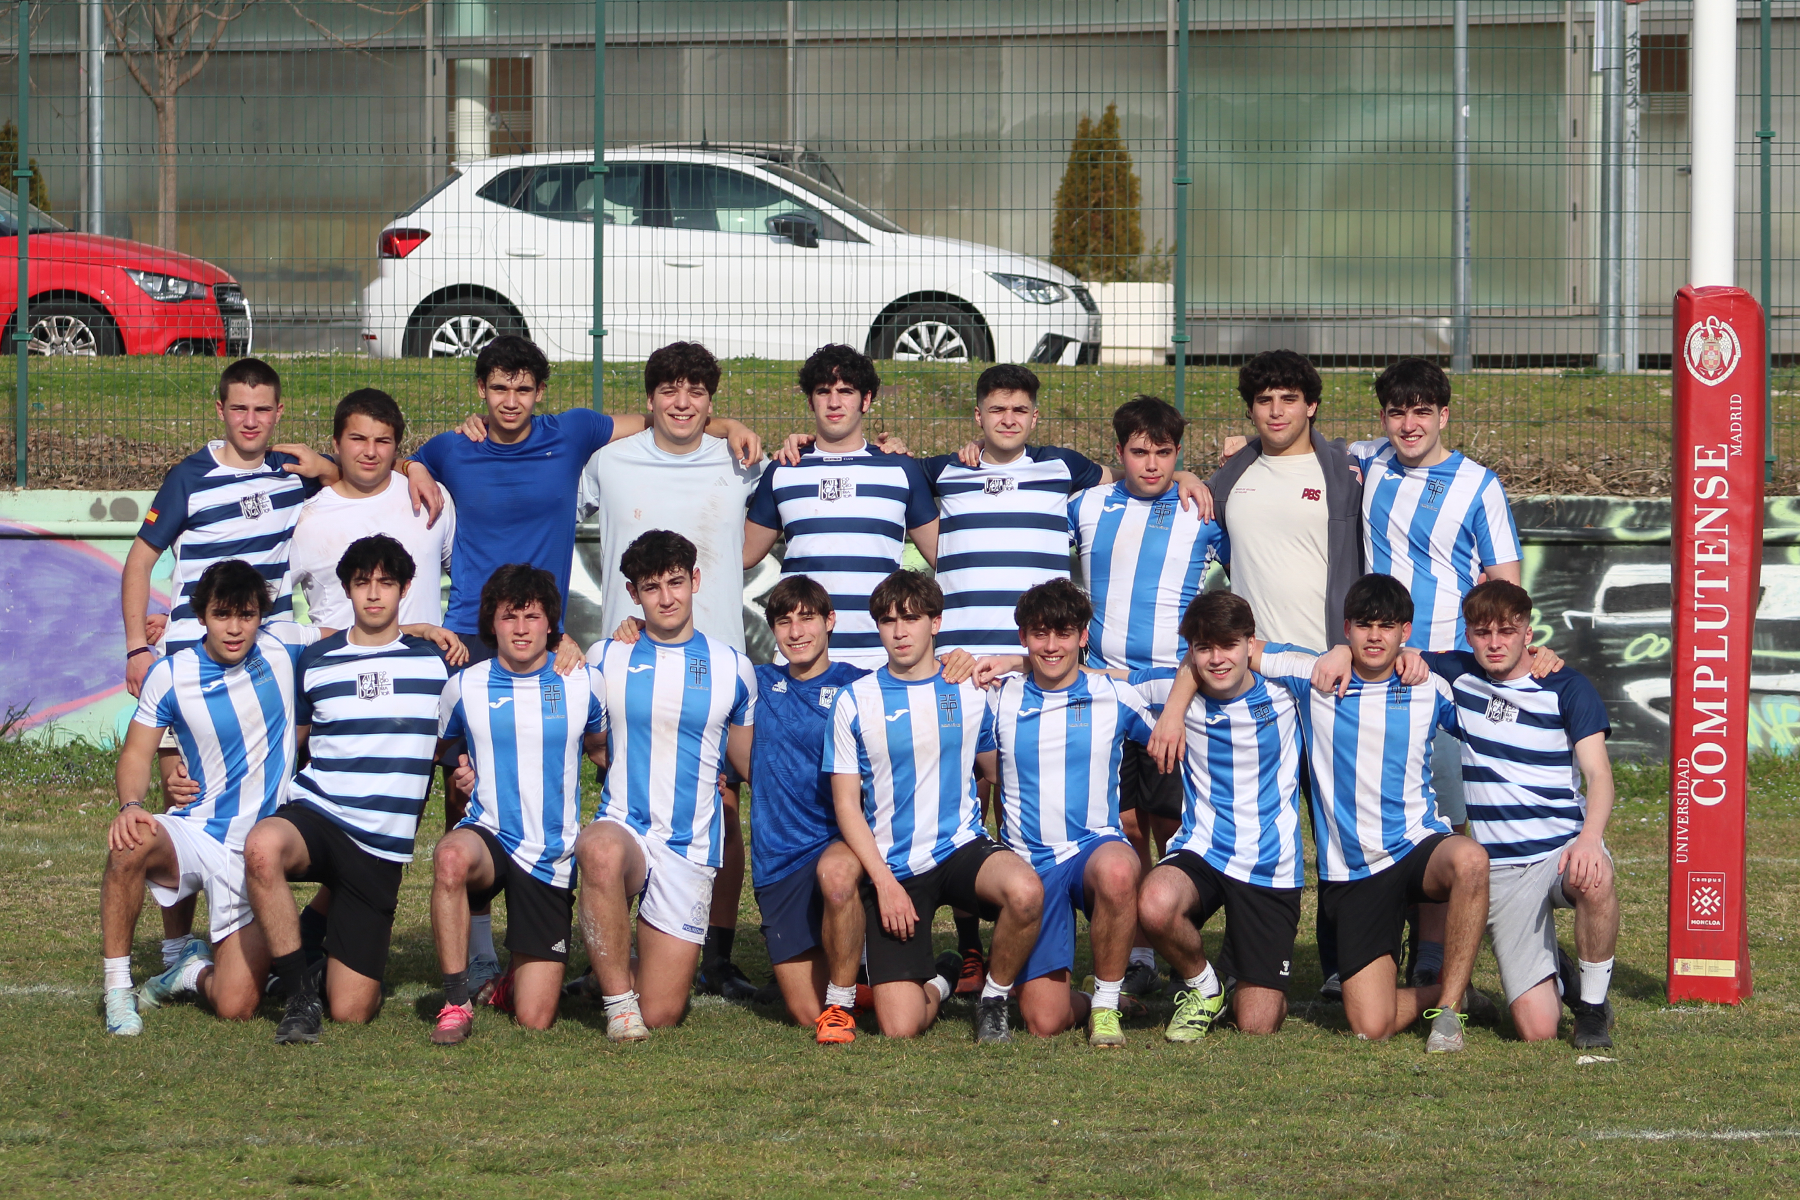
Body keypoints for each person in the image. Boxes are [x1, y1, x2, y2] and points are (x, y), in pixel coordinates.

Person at [408, 335, 748, 996]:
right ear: (480, 389)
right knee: (464, 790)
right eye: (498, 387)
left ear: (541, 392)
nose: (510, 400)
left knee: (570, 779)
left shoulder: (574, 435)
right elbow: (400, 460)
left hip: (548, 633)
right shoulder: (451, 447)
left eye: (523, 388)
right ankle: (479, 948)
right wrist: (417, 463)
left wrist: (729, 423)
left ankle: (593, 933)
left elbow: (658, 417)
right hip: (474, 634)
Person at [119, 357, 338, 967]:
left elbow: (366, 474)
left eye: (262, 409)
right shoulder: (189, 477)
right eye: (238, 408)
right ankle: (175, 951)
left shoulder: (294, 473)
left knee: (257, 805)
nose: (250, 420)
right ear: (219, 410)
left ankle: (250, 930)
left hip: (262, 664)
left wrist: (327, 466)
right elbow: (140, 562)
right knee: (184, 796)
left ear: (279, 412)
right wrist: (138, 646)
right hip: (189, 665)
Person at [580, 342, 765, 1002]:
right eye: (669, 390)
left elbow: (791, 487)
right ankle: (608, 951)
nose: (682, 403)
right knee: (620, 803)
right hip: (629, 664)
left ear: (712, 401)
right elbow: (546, 500)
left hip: (713, 668)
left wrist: (735, 429)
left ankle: (717, 952)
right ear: (650, 398)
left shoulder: (742, 460)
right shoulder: (607, 463)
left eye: (696, 392)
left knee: (723, 806)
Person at [242, 535, 457, 1044]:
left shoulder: (438, 663)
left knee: (352, 1010)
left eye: (386, 583)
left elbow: (465, 737)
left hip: (379, 848)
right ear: (346, 589)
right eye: (362, 583)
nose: (374, 594)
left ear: (406, 588)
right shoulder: (315, 660)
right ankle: (298, 996)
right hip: (318, 814)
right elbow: (288, 744)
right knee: (262, 846)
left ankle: (313, 954)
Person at [1265, 575, 1490, 1052]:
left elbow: (1497, 703)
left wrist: (1543, 661)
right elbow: (1238, 648)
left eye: (1386, 627)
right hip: (1356, 871)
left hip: (1417, 845)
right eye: (1363, 625)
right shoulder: (1314, 676)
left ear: (1405, 632)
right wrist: (1333, 653)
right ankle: (1455, 996)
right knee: (1372, 1025)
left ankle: (1449, 1013)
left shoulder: (1428, 685)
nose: (1374, 637)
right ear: (1346, 627)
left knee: (1471, 860)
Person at [100, 559, 321, 1035]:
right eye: (222, 615)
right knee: (129, 843)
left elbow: (358, 635)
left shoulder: (283, 644)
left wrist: (424, 629)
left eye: (246, 615)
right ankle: (117, 990)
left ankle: (188, 971)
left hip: (257, 852)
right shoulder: (170, 674)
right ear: (202, 615)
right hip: (196, 830)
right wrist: (131, 805)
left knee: (235, 1005)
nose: (235, 628)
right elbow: (135, 754)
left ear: (260, 616)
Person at [825, 570, 1044, 1043]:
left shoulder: (969, 688)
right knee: (900, 1028)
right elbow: (846, 806)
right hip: (896, 865)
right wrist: (883, 883)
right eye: (888, 621)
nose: (899, 631)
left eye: (911, 618)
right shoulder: (854, 700)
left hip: (960, 847)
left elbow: (1053, 663)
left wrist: (1003, 661)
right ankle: (945, 976)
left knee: (1026, 891)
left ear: (936, 623)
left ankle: (993, 999)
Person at [1068, 394, 1225, 996]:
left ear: (1178, 453)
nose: (1152, 464)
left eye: (1164, 453)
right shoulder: (1088, 505)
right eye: (1139, 452)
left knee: (1173, 823)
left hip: (1172, 696)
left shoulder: (1200, 511)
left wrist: (1192, 479)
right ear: (1119, 452)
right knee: (1123, 825)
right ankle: (1136, 957)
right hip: (1105, 692)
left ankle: (1179, 942)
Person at [575, 531, 756, 1041]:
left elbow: (748, 760)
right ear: (633, 594)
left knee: (662, 1012)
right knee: (599, 850)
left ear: (695, 580)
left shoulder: (733, 667)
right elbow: (590, 741)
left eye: (676, 582)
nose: (667, 598)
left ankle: (609, 969)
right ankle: (618, 1007)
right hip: (626, 827)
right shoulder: (605, 656)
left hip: (689, 846)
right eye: (651, 588)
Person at [1423, 580, 1618, 1049]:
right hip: (1503, 870)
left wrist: (1590, 841)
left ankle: (1593, 1011)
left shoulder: (1567, 685)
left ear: (1528, 633)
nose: (1495, 643)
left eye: (1507, 631)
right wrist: (1340, 654)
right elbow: (1383, 652)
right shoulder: (1457, 674)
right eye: (1483, 632)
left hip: (1561, 849)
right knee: (1538, 1030)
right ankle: (1563, 974)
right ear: (1468, 635)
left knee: (1595, 879)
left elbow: (1600, 775)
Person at [429, 565, 608, 1044]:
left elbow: (603, 751)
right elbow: (438, 751)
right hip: (489, 834)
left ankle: (509, 982)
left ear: (551, 623)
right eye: (510, 616)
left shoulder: (584, 682)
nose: (522, 628)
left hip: (550, 855)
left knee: (535, 1017)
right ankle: (456, 1000)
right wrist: (462, 773)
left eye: (532, 616)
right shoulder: (464, 686)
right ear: (493, 623)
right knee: (450, 857)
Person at [977, 578, 1156, 1047]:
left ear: (1083, 636)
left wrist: (1175, 713)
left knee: (1120, 870)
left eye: (1064, 633)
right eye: (1040, 634)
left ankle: (1106, 1007)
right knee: (1044, 1021)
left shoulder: (1115, 694)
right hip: (1031, 865)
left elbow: (1187, 675)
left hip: (1093, 848)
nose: (1052, 645)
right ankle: (1091, 1000)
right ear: (1023, 637)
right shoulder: (998, 697)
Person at [1134, 591, 1308, 1040]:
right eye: (1204, 648)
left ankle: (1244, 972)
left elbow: (1340, 663)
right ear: (1190, 653)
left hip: (1269, 865)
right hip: (1204, 850)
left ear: (1251, 644)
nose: (1217, 659)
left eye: (1228, 645)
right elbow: (1095, 680)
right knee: (1154, 902)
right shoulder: (1169, 691)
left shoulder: (1287, 688)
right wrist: (1016, 663)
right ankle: (1205, 985)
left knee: (1256, 1024)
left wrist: (1394, 655)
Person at [744, 345, 940, 671]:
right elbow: (742, 556)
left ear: (866, 400)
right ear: (810, 401)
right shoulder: (784, 469)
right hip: (804, 656)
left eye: (846, 391)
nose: (834, 402)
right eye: (823, 391)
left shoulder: (900, 469)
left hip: (882, 656)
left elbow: (944, 559)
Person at [741, 577, 871, 1043]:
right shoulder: (757, 683)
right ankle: (900, 981)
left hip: (839, 844)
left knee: (836, 878)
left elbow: (919, 679)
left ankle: (848, 1001)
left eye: (807, 618)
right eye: (783, 621)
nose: (796, 632)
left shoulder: (860, 685)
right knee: (803, 1012)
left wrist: (957, 661)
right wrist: (636, 627)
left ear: (829, 621)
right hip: (778, 860)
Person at [289, 389, 456, 631]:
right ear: (336, 443)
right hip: (339, 656)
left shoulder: (432, 498)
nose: (370, 452)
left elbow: (464, 584)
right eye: (358, 439)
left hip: (422, 654)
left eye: (382, 441)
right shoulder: (305, 521)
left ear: (396, 447)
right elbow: (268, 601)